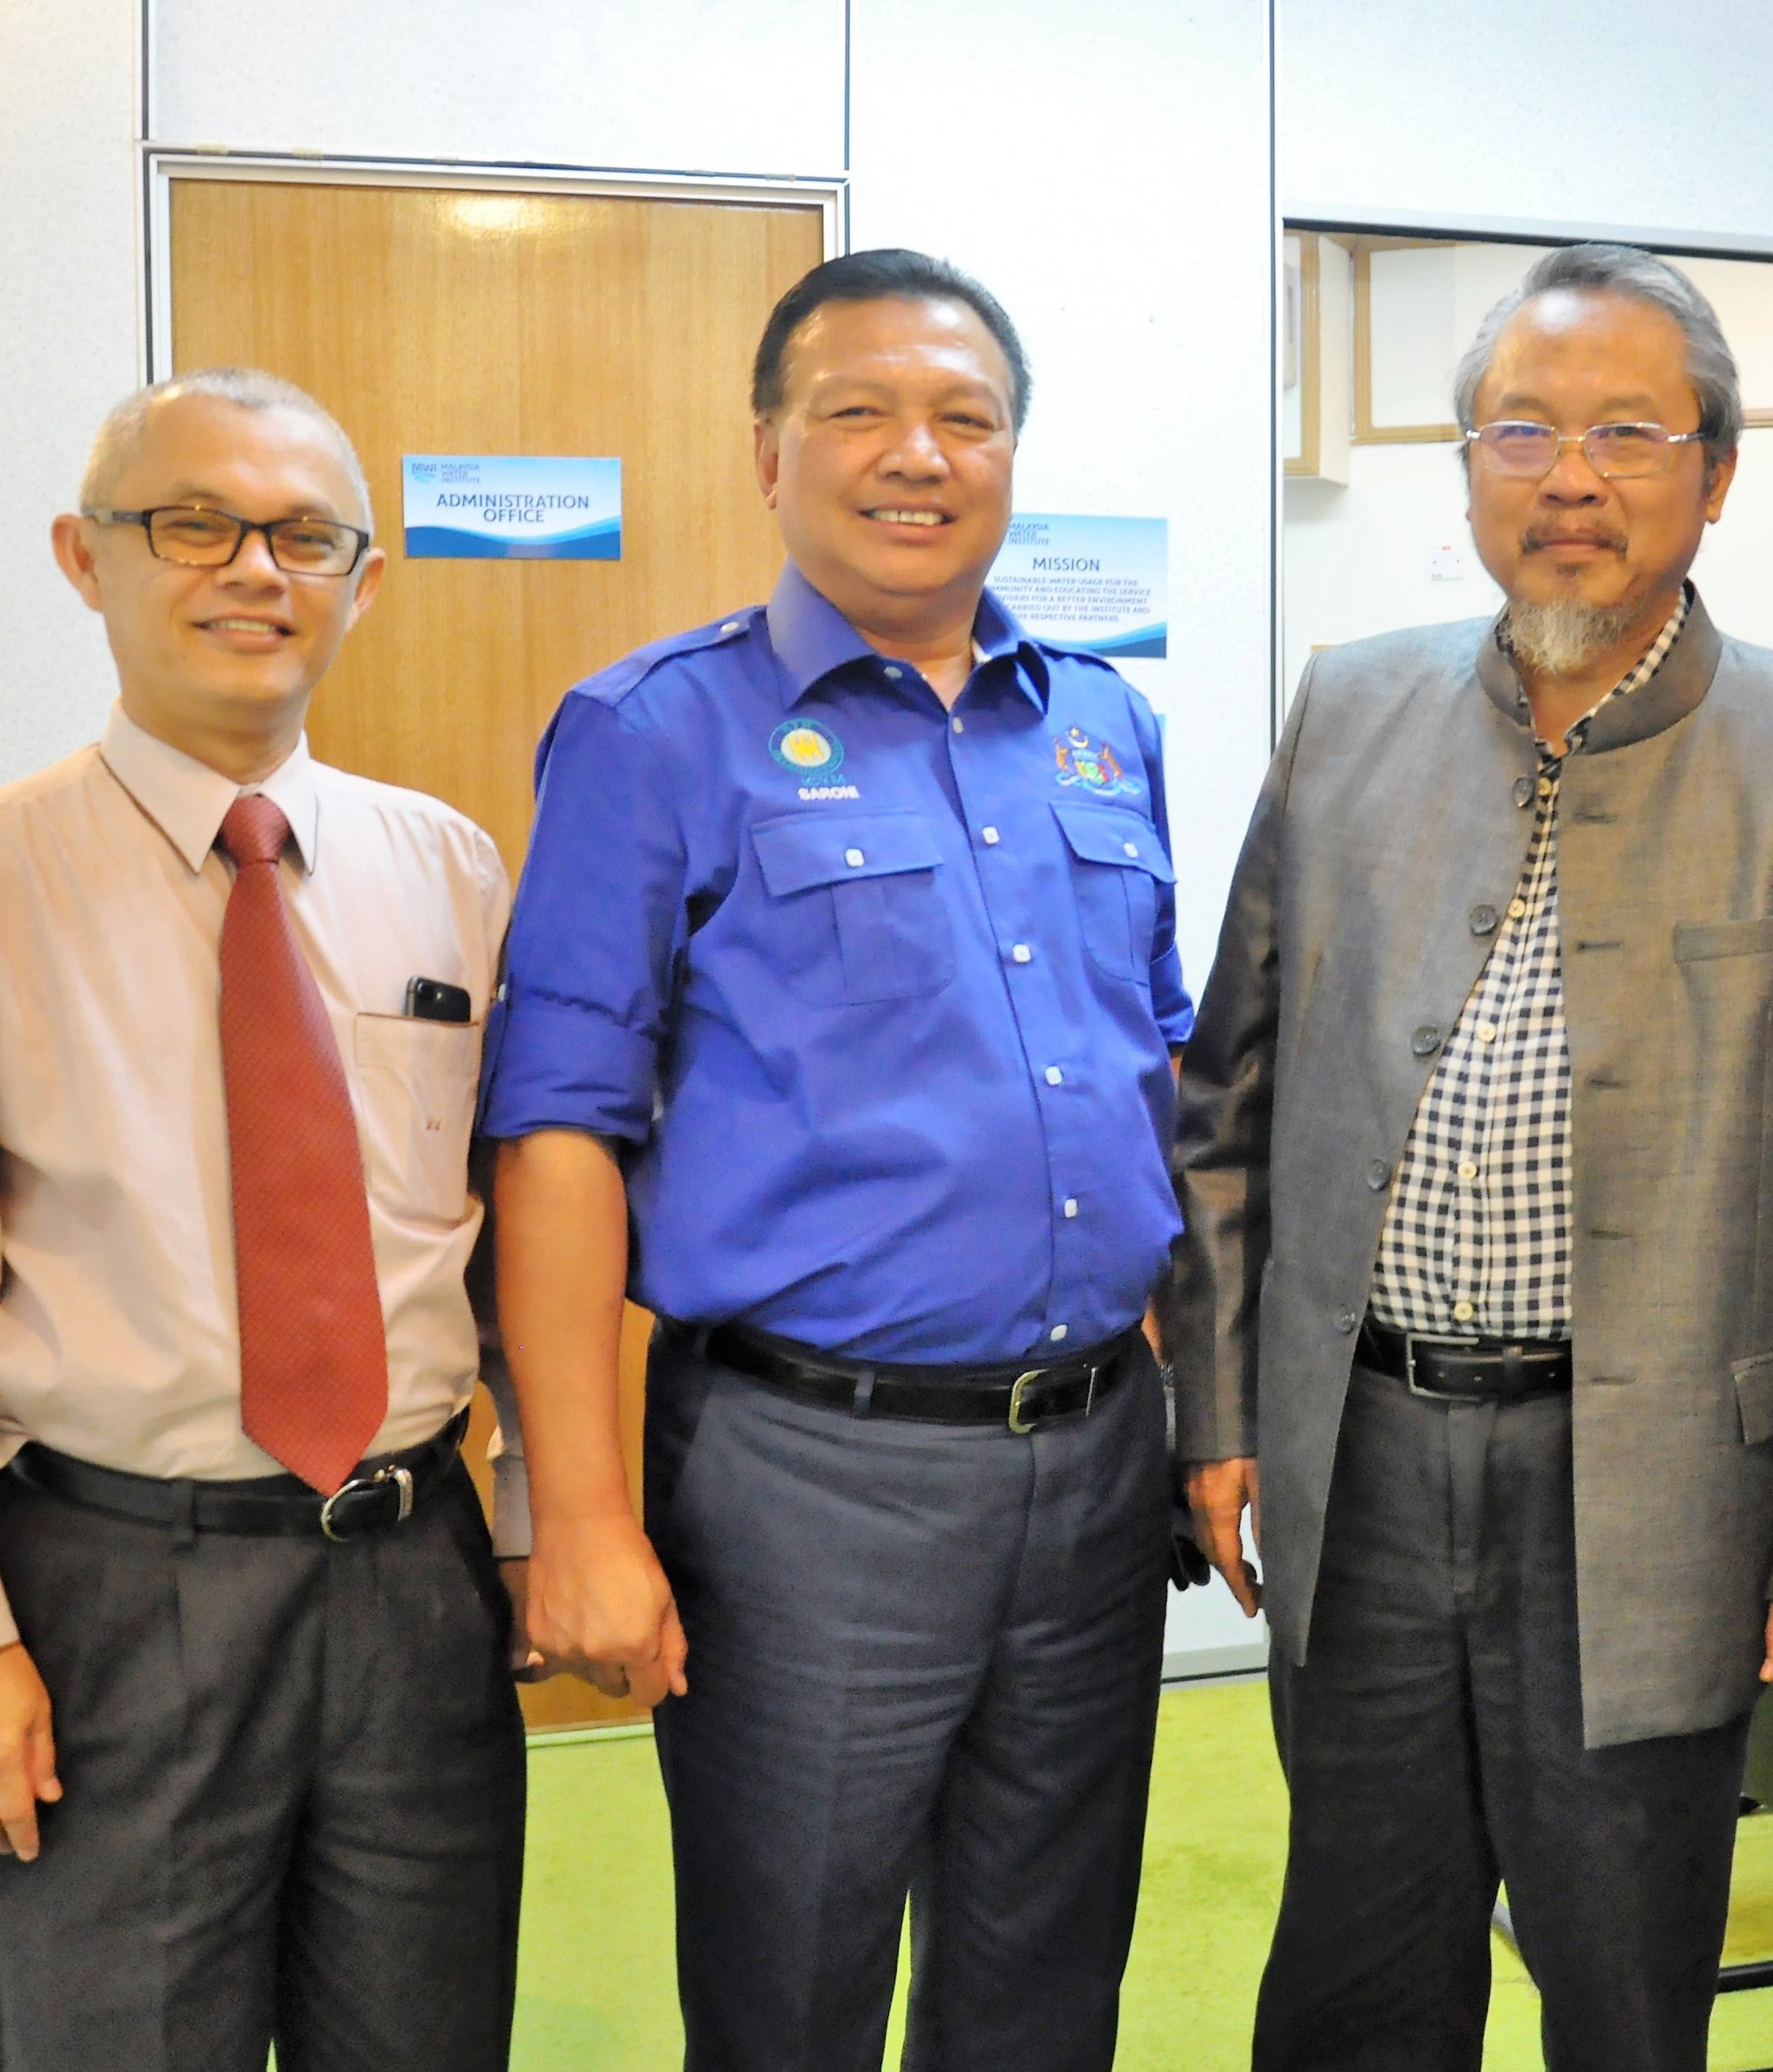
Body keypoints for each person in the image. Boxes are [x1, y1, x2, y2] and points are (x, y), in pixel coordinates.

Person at [1168, 242, 1773, 2072]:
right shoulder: (1347, 712)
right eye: (1521, 430)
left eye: (1626, 433)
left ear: (1717, 471)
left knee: (1622, 1988)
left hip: (1655, 1491)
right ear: (1467, 469)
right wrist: (1218, 1404)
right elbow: (1227, 1098)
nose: (1569, 478)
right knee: (1353, 1974)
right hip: (1364, 1457)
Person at [482, 249, 1190, 2072]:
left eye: (966, 416)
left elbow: (1155, 1068)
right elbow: (555, 1133)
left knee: (1049, 1983)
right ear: (769, 453)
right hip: (809, 1479)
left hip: (1096, 1459)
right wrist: (580, 1513)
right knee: (791, 1989)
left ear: (1013, 451)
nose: (917, 453)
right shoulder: (656, 731)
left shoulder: (1105, 724)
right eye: (858, 410)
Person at [0, 368, 528, 2071]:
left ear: (364, 581)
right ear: (87, 557)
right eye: (193, 523)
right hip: (113, 1592)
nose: (253, 569)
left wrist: (521, 1523)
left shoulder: (449, 869)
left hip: (411, 1583)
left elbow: (494, 1239)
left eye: (303, 535)